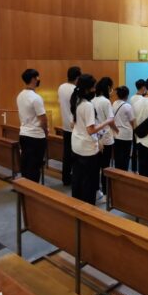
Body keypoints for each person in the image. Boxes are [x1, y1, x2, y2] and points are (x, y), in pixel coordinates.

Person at [70, 74, 115, 205]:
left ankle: (77, 203)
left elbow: (74, 123)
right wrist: (107, 121)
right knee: (89, 181)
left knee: (78, 178)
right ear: (87, 89)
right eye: (93, 88)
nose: (95, 90)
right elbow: (91, 130)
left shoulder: (76, 100)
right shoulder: (87, 105)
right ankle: (88, 208)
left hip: (76, 144)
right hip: (87, 148)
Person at [16, 68, 48, 182]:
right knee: (35, 167)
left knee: (26, 165)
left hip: (23, 134)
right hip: (36, 137)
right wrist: (46, 131)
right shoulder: (36, 98)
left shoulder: (20, 95)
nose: (39, 79)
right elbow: (43, 119)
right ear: (33, 79)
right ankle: (33, 193)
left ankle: (24, 189)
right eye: (37, 77)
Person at [92, 76, 118, 202]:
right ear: (108, 88)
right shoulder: (106, 102)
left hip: (95, 137)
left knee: (96, 166)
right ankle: (106, 193)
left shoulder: (92, 100)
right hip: (106, 138)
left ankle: (97, 190)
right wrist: (116, 129)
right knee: (105, 166)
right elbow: (110, 120)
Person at [57, 66, 81, 186]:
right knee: (76, 154)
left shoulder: (61, 87)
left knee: (66, 153)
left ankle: (65, 177)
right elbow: (77, 108)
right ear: (77, 77)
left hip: (65, 125)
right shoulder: (76, 90)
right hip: (75, 126)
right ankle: (75, 178)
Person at [111, 86, 135, 171]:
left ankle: (118, 173)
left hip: (116, 134)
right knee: (125, 158)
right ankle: (124, 174)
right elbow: (132, 121)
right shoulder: (127, 106)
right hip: (126, 135)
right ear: (127, 95)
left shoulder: (114, 103)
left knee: (117, 157)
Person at [129, 79, 146, 172]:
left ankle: (134, 169)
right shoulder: (143, 99)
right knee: (142, 148)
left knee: (135, 148)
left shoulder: (132, 98)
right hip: (141, 126)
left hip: (133, 125)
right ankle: (141, 169)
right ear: (143, 87)